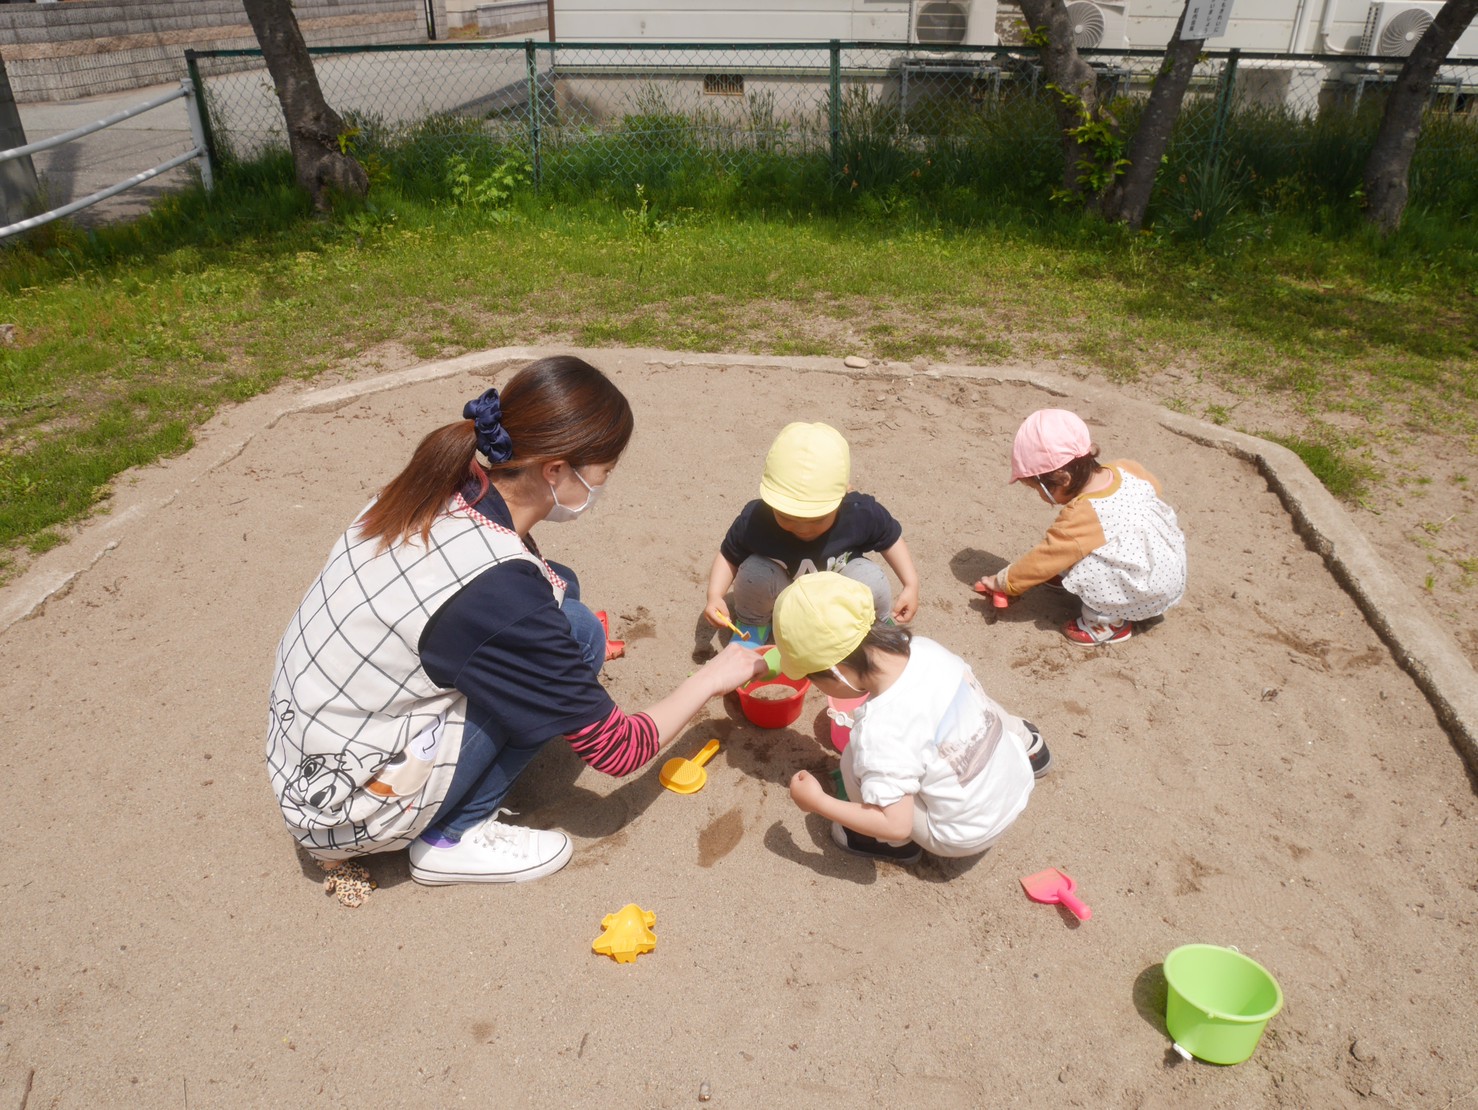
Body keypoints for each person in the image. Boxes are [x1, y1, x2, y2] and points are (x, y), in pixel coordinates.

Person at [265, 355, 766, 886]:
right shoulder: (502, 597)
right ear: (555, 471)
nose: (605, 485)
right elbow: (620, 750)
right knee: (579, 635)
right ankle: (451, 838)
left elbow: (513, 586)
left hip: (307, 747)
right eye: (605, 472)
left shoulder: (435, 484)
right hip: (352, 807)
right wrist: (713, 678)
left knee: (562, 595)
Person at [777, 573, 1046, 865]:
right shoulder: (925, 649)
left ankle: (892, 846)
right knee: (967, 698)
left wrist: (818, 803)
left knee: (854, 756)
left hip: (965, 833)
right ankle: (1031, 744)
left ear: (835, 671)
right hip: (1015, 780)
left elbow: (896, 823)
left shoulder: (881, 730)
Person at [975, 408, 1187, 646]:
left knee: (1083, 557)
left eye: (1039, 489)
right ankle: (1122, 586)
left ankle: (1107, 624)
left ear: (1063, 479)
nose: (1040, 496)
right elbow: (1154, 490)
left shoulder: (1085, 514)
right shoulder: (1125, 468)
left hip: (1144, 590)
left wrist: (1005, 582)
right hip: (1166, 568)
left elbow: (1046, 556)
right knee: (1105, 542)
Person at [702, 421, 920, 651]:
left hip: (837, 591)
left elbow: (891, 538)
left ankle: (874, 626)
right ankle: (753, 625)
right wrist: (715, 594)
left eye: (816, 518)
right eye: (786, 516)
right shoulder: (756, 519)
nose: (802, 528)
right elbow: (729, 555)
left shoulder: (858, 512)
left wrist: (911, 583)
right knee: (754, 573)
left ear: (843, 493)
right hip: (781, 591)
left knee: (871, 578)